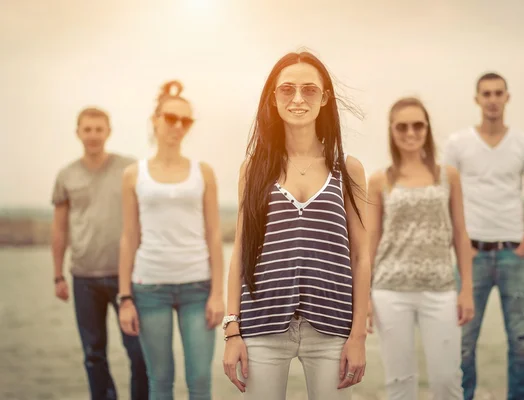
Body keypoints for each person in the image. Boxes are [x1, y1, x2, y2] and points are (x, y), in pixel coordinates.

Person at [221, 51, 371, 400]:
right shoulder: (253, 169)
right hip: (262, 323)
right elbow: (240, 252)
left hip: (333, 325)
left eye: (309, 90)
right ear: (273, 99)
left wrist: (358, 335)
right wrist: (232, 332)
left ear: (325, 97)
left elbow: (361, 258)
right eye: (287, 89)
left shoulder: (347, 168)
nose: (298, 99)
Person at [117, 80, 225, 400]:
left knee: (200, 379)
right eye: (171, 118)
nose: (178, 126)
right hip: (150, 287)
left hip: (197, 287)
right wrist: (125, 297)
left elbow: (214, 234)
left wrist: (218, 293)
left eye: (186, 121)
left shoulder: (202, 172)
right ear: (155, 119)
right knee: (160, 381)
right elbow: (129, 237)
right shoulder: (133, 174)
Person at [443, 72, 524, 400]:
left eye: (498, 93)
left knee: (519, 339)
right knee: (464, 340)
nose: (492, 99)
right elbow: (446, 198)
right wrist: (460, 248)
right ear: (477, 99)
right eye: (486, 93)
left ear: (507, 97)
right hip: (471, 255)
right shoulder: (457, 144)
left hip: (512, 254)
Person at [366, 97, 474, 400]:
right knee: (399, 383)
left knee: (447, 381)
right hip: (390, 291)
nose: (410, 132)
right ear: (391, 130)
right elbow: (370, 242)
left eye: (418, 125)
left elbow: (461, 235)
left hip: (440, 290)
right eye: (402, 126)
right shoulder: (379, 180)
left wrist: (466, 289)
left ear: (427, 129)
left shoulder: (447, 176)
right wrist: (363, 296)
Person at [51, 107, 148, 399]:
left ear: (108, 132)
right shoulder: (66, 175)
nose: (93, 135)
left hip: (127, 277)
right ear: (78, 133)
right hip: (84, 278)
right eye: (87, 129)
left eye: (98, 129)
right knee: (94, 355)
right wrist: (57, 275)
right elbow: (59, 229)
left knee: (139, 354)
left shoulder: (130, 168)